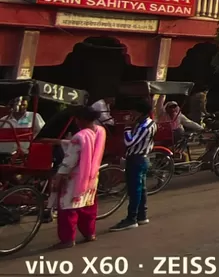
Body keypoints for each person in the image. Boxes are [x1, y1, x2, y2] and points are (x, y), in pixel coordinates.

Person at [50, 106, 106, 248]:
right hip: (92, 176)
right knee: (88, 206)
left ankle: (68, 239)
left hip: (75, 178)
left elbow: (69, 161)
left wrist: (58, 176)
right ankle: (90, 234)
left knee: (68, 209)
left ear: (81, 120)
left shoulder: (79, 137)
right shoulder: (100, 131)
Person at [110, 99, 155, 232]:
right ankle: (142, 215)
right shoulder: (146, 123)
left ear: (140, 112)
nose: (131, 114)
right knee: (141, 188)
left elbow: (129, 142)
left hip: (137, 159)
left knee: (135, 190)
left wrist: (127, 127)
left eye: (134, 111)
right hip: (140, 158)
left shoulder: (145, 126)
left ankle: (131, 218)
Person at [0, 96, 45, 164]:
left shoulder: (34, 116)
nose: (21, 107)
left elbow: (43, 133)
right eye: (18, 105)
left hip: (25, 154)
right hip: (4, 154)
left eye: (24, 105)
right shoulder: (3, 120)